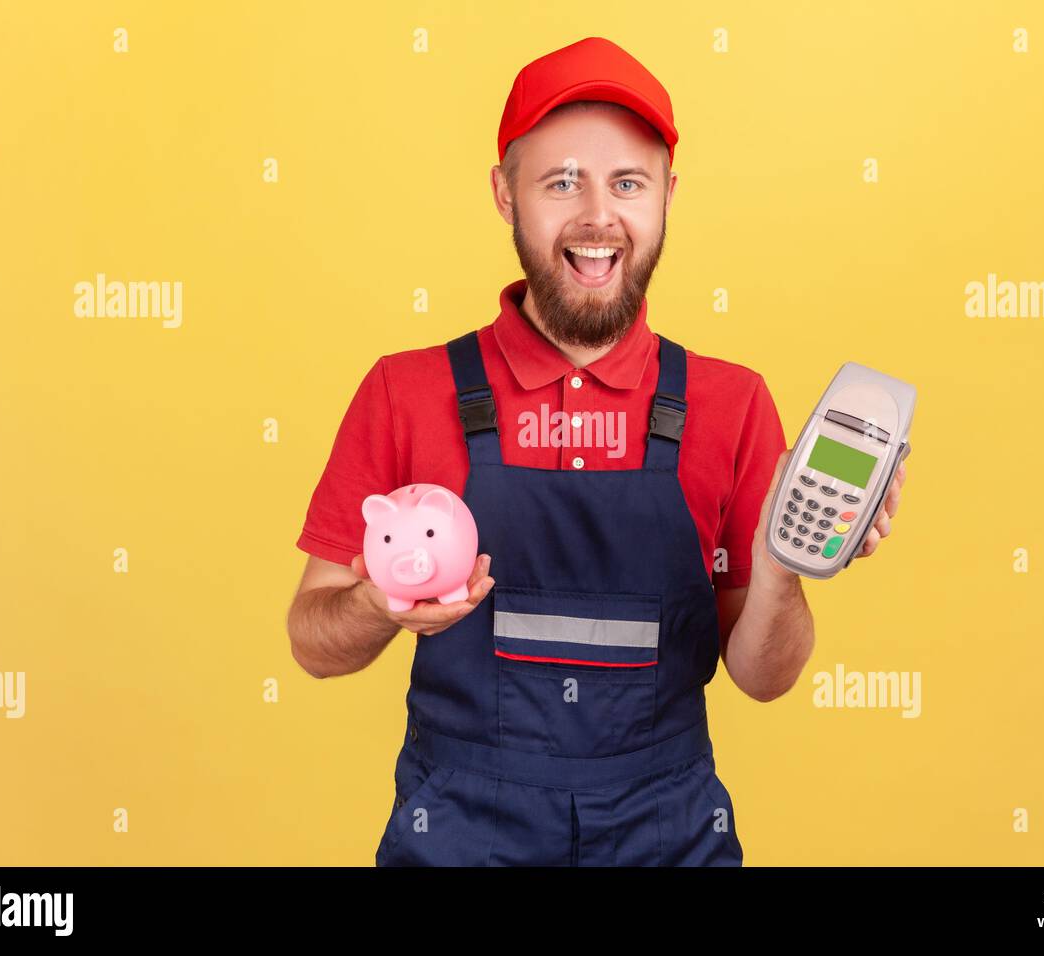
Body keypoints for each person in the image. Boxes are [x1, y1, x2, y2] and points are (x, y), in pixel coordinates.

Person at [286, 36, 907, 866]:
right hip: (459, 832)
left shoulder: (732, 402)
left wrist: (781, 569)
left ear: (667, 198)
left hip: (669, 833)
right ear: (505, 196)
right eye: (560, 181)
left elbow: (764, 677)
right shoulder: (406, 391)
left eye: (626, 183)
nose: (596, 217)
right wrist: (376, 608)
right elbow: (309, 639)